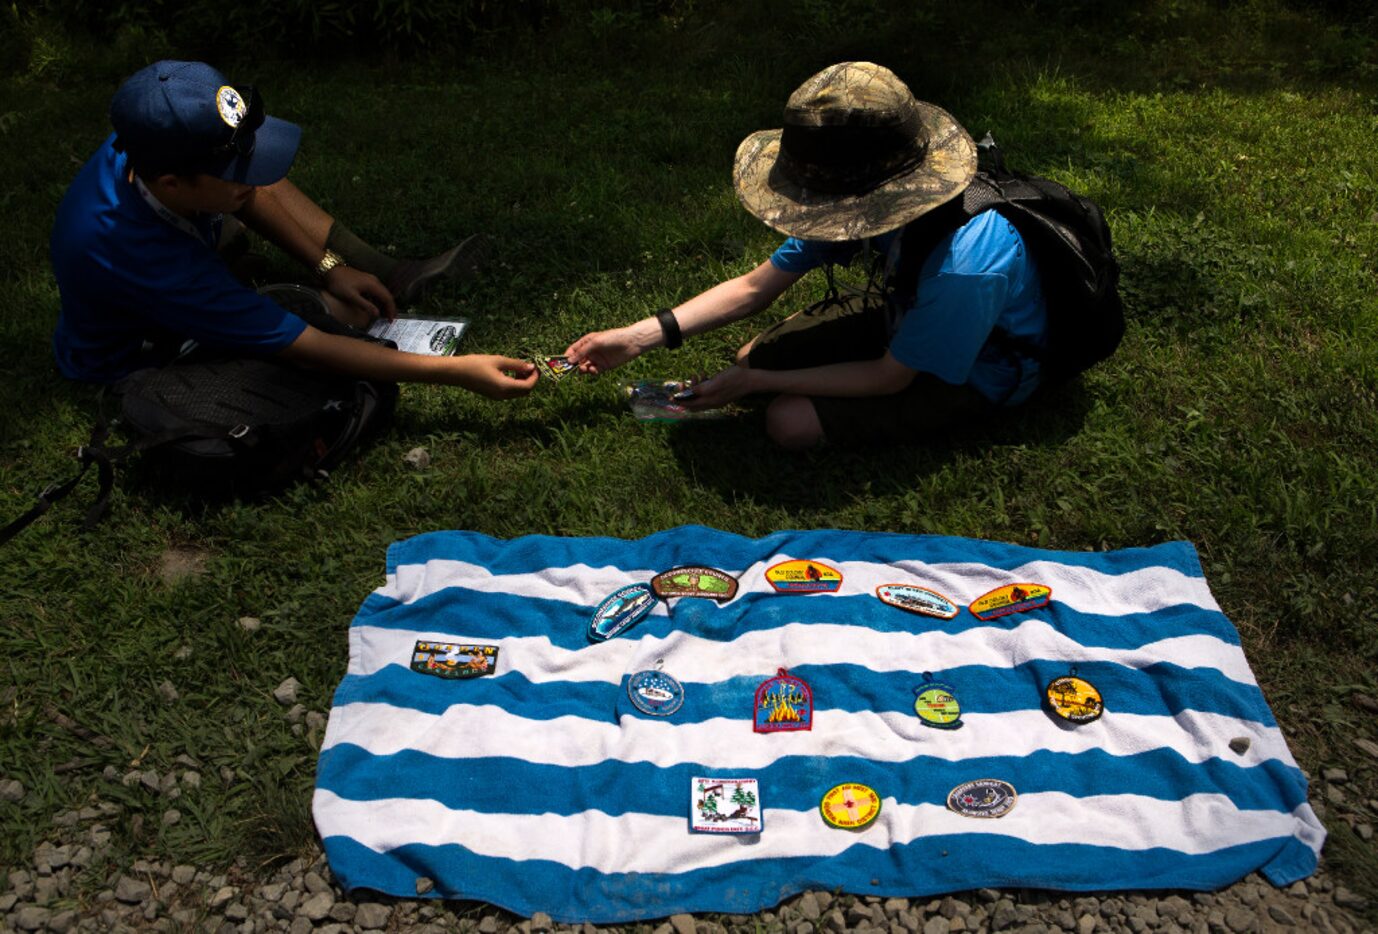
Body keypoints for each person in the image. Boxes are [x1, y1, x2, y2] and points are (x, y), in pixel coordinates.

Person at [565, 62, 1048, 448]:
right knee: (751, 356)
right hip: (910, 312)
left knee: (788, 420)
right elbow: (756, 288)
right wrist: (637, 338)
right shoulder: (863, 197)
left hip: (983, 369)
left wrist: (755, 384)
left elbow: (889, 378)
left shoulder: (965, 263)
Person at [51, 60, 536, 398]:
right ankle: (255, 285)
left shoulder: (151, 136)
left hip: (181, 255)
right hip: (146, 353)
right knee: (340, 323)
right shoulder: (142, 257)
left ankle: (347, 270)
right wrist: (458, 372)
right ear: (175, 184)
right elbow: (309, 349)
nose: (255, 183)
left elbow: (252, 184)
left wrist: (328, 265)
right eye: (235, 180)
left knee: (257, 206)